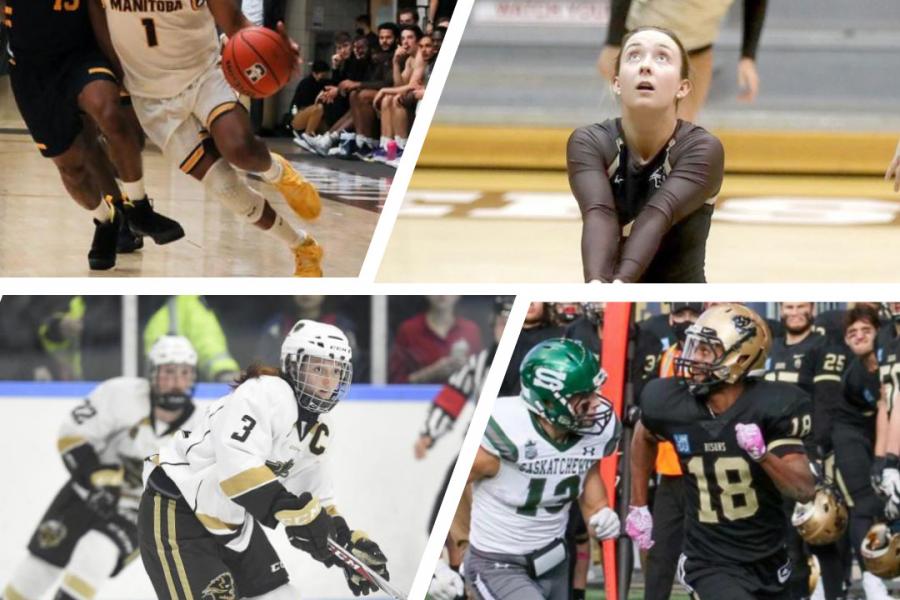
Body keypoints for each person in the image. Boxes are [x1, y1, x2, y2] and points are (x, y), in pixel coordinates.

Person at [138, 320, 391, 599]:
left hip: (231, 521)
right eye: (318, 369)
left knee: (282, 595)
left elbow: (316, 500)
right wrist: (293, 513)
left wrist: (345, 545)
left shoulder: (320, 429)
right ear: (294, 366)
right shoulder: (265, 392)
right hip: (178, 508)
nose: (329, 382)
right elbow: (236, 468)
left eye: (337, 371)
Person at [88, 0, 326, 276]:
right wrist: (115, 74)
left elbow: (235, 22)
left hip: (203, 75)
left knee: (241, 149)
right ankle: (303, 246)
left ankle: (278, 172)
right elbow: (95, 12)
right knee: (225, 187)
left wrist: (277, 51)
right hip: (150, 96)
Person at [628, 303, 816, 600]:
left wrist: (762, 455)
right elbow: (644, 433)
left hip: (767, 558)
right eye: (693, 347)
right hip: (708, 561)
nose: (692, 358)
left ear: (739, 358)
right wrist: (638, 504)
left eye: (705, 350)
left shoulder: (772, 406)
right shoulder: (669, 400)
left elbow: (804, 489)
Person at [1, 336, 204, 600]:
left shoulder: (202, 429)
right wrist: (95, 480)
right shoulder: (120, 395)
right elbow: (72, 437)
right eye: (168, 372)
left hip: (139, 514)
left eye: (185, 373)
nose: (177, 382)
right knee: (36, 571)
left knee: (95, 554)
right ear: (152, 373)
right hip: (84, 495)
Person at [2, 0, 183, 270]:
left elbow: (97, 10)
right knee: (72, 167)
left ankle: (139, 207)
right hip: (32, 70)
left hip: (82, 54)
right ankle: (108, 221)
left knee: (111, 117)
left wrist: (120, 72)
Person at [460, 338, 622, 600]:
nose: (596, 404)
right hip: (497, 563)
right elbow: (448, 489)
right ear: (548, 403)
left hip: (553, 559)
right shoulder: (505, 434)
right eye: (583, 398)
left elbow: (589, 486)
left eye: (595, 392)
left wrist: (601, 515)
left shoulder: (593, 433)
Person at [568, 26, 724, 283]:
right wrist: (596, 285)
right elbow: (599, 213)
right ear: (617, 83)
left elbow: (658, 213)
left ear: (683, 88)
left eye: (662, 57)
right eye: (634, 56)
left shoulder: (702, 148)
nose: (646, 66)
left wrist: (621, 284)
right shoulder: (590, 142)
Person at [598, 0, 768, 121]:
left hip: (698, 50)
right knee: (653, 134)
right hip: (650, 41)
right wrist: (613, 43)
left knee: (682, 134)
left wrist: (748, 57)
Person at [828, 306, 892, 599]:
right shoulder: (855, 374)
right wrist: (881, 460)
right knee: (863, 504)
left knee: (881, 505)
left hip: (879, 433)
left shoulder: (890, 357)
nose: (859, 336)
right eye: (852, 332)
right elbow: (883, 409)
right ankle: (870, 577)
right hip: (849, 435)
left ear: (879, 332)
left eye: (866, 329)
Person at [639, 301, 700, 600]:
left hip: (702, 469)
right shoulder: (667, 356)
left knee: (700, 554)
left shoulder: (709, 356)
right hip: (669, 469)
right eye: (680, 315)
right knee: (661, 552)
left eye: (692, 315)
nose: (685, 322)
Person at [143, 296, 240, 383]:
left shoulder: (187, 304)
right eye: (169, 371)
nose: (177, 380)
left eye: (185, 373)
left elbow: (207, 341)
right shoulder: (183, 304)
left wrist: (222, 370)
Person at [388, 295, 483, 384]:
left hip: (462, 399)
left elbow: (481, 378)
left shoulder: (471, 331)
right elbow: (395, 384)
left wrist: (465, 370)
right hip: (419, 400)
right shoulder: (409, 331)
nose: (442, 293)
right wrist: (431, 373)